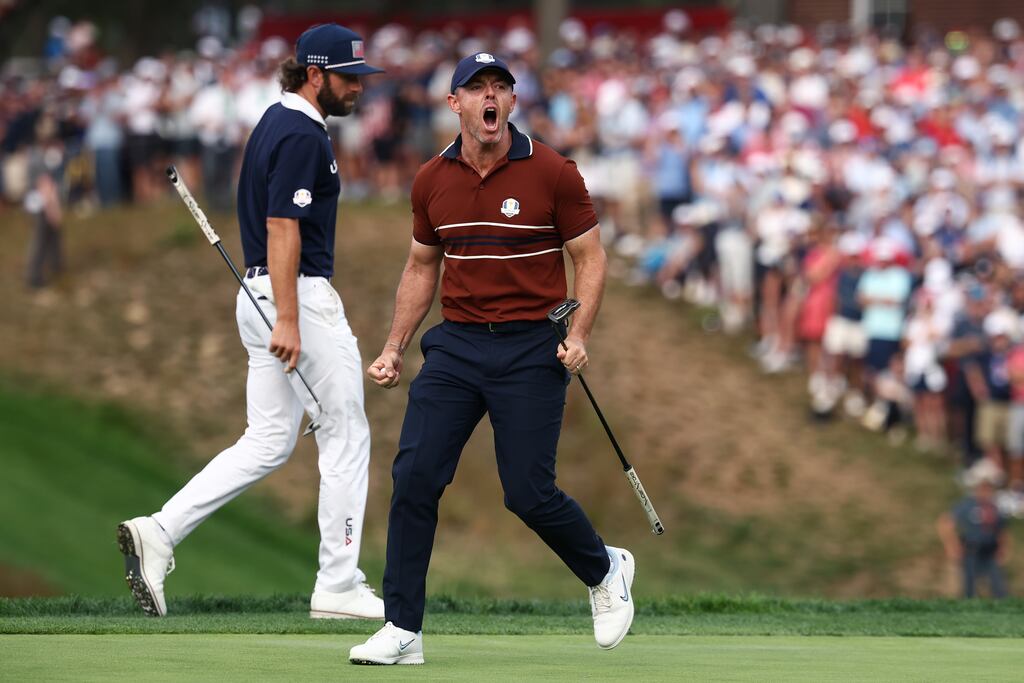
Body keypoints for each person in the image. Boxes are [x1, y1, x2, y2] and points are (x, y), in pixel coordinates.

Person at [349, 53, 634, 666]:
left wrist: (579, 333)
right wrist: (394, 347)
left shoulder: (554, 171)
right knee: (416, 475)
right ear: (454, 104)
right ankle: (403, 627)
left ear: (511, 103)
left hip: (533, 346)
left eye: (500, 88)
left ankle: (605, 568)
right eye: (476, 88)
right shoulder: (431, 180)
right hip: (457, 345)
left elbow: (591, 258)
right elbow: (422, 267)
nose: (490, 97)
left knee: (528, 493)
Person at [116, 24, 386, 621]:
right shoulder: (300, 133)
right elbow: (282, 226)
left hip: (260, 291)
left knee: (267, 441)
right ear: (316, 75)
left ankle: (158, 532)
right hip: (296, 297)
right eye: (349, 79)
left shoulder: (275, 119)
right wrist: (289, 319)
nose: (358, 90)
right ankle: (339, 586)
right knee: (346, 432)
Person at [937, 459, 1012, 599]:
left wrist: (1003, 548)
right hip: (971, 551)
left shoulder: (996, 507)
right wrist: (952, 545)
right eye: (983, 486)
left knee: (999, 589)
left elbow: (1002, 529)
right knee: (969, 589)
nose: (986, 490)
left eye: (988, 487)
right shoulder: (967, 505)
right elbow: (945, 522)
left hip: (990, 551)